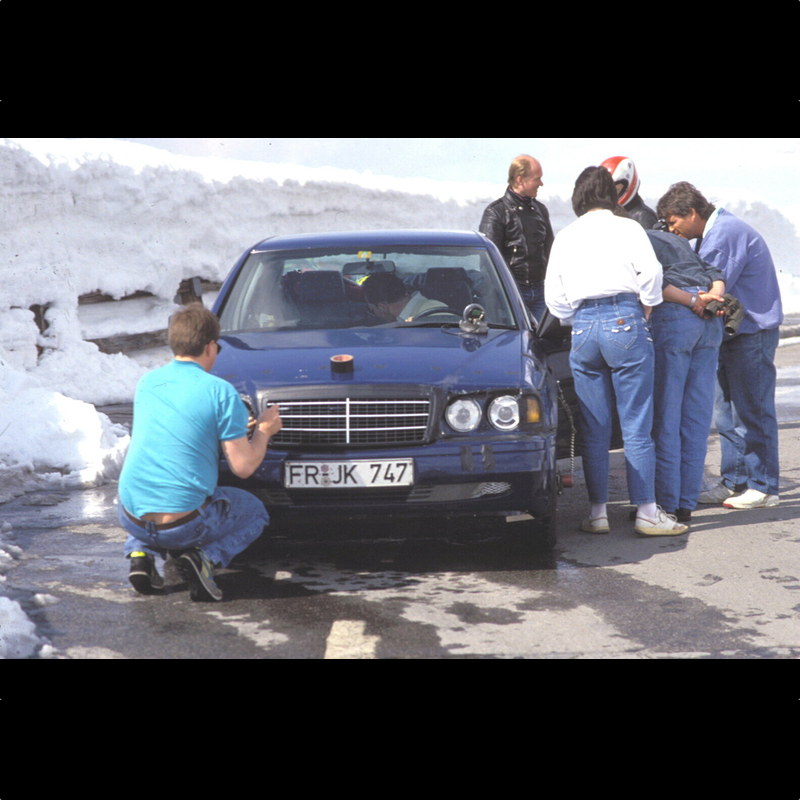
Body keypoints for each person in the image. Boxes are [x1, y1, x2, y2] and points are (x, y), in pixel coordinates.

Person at [545, 166, 688, 537]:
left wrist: (572, 317)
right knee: (637, 425)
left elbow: (553, 298)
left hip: (582, 326)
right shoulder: (628, 227)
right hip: (624, 318)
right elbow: (652, 274)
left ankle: (597, 515)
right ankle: (646, 513)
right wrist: (647, 304)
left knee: (594, 428)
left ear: (578, 197)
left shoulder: (565, 236)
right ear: (612, 194)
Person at [117, 304, 282, 602]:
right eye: (216, 346)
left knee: (155, 482)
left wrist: (225, 428)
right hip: (183, 526)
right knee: (255, 512)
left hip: (131, 517)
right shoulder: (220, 391)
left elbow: (178, 435)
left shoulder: (147, 383)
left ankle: (140, 552)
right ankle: (203, 557)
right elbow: (243, 467)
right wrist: (263, 432)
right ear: (209, 347)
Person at [657, 182, 783, 510]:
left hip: (752, 333)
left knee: (752, 409)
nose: (673, 230)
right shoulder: (715, 232)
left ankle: (764, 486)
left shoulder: (723, 235)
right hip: (733, 335)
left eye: (674, 222)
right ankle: (734, 481)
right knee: (726, 412)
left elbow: (701, 285)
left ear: (692, 213)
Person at [647, 229, 726, 525]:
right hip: (708, 324)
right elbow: (715, 273)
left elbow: (655, 281)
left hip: (676, 317)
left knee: (667, 417)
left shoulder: (637, 237)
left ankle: (665, 504)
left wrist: (692, 300)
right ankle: (686, 503)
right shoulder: (679, 241)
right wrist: (710, 298)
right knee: (696, 418)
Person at [480, 155, 555, 324]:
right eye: (537, 179)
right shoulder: (496, 212)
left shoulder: (540, 211)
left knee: (543, 342)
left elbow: (551, 252)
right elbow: (488, 262)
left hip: (540, 291)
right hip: (512, 293)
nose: (541, 183)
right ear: (520, 180)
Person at [363, 272, 453, 323]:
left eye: (372, 310)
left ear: (383, 307)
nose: (374, 314)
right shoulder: (401, 318)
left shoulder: (433, 310)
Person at [601, 156, 658, 229]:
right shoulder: (609, 214)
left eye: (615, 189)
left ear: (626, 184)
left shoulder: (643, 216)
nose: (610, 194)